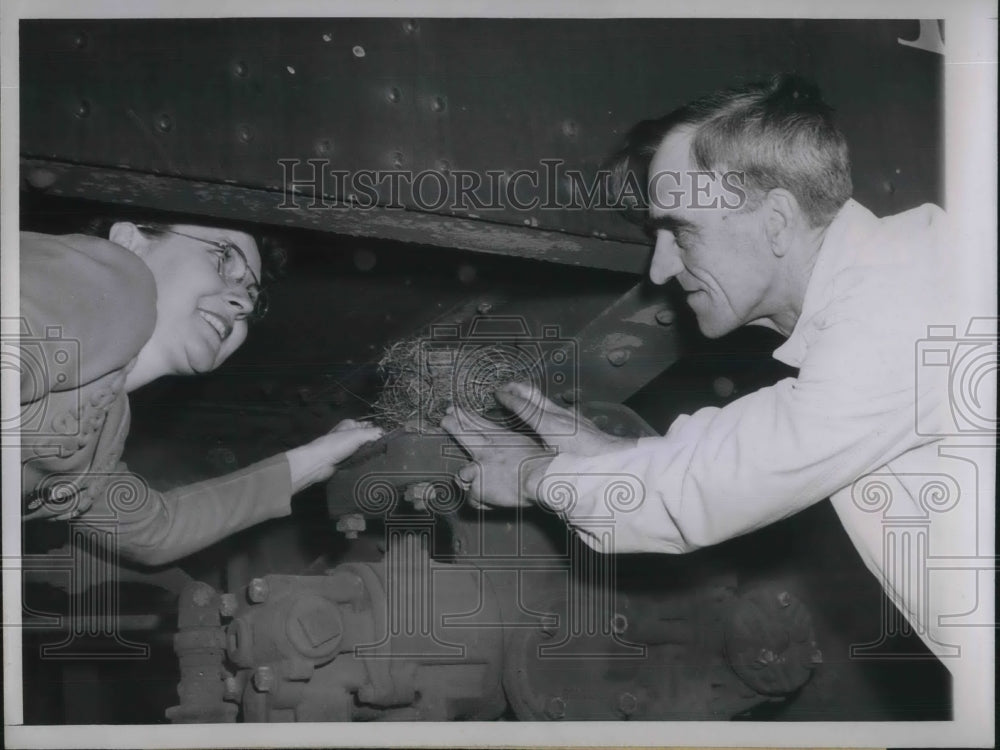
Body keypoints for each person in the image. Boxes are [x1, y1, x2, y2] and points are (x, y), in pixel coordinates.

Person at [441, 74, 977, 667]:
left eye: (680, 230)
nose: (661, 270)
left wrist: (529, 478)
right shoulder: (899, 281)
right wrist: (597, 454)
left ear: (775, 220)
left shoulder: (906, 303)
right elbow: (744, 447)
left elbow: (713, 487)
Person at [19, 218, 382, 566]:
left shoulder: (105, 427)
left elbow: (157, 532)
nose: (244, 304)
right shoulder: (92, 280)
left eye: (253, 297)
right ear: (130, 241)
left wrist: (315, 459)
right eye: (224, 257)